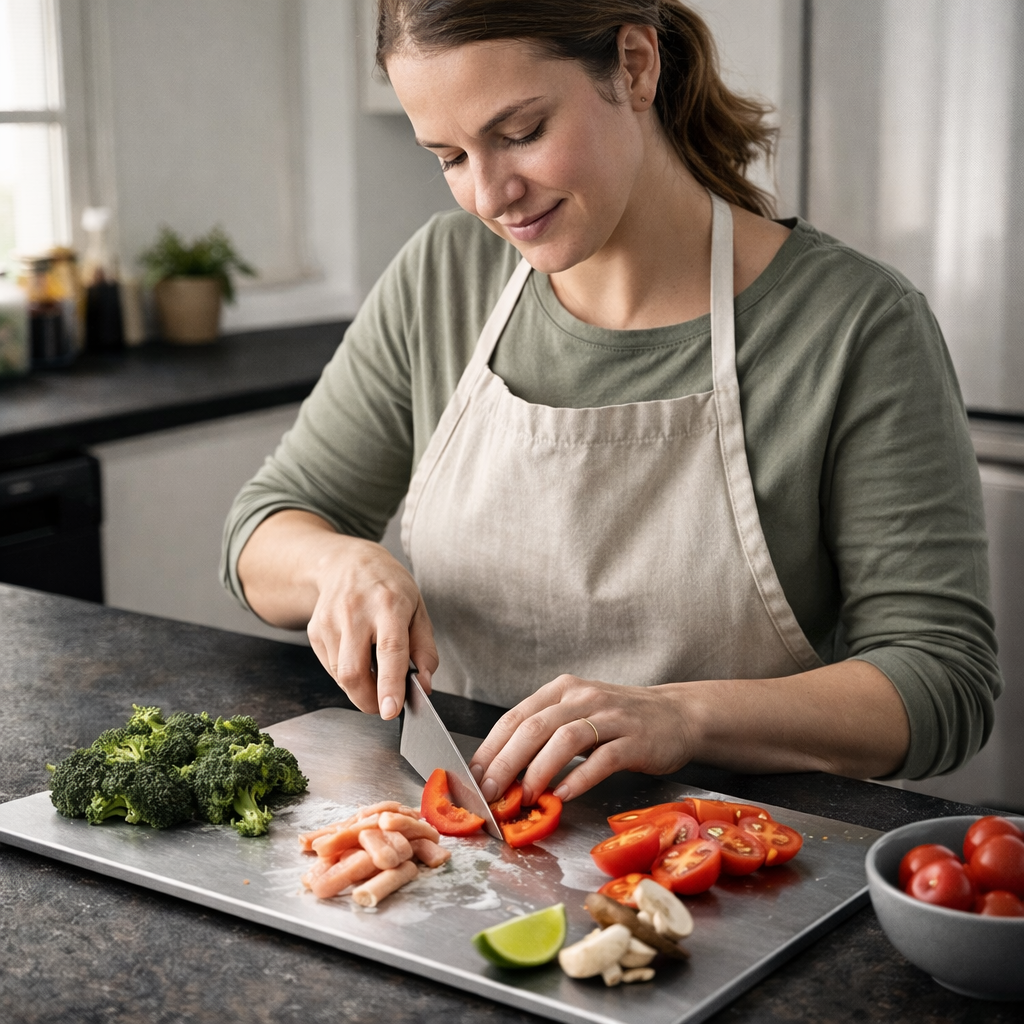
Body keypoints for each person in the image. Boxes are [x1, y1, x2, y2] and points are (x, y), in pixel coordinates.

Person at [222, 0, 1000, 811]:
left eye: (520, 132)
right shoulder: (442, 277)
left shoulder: (853, 324)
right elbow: (265, 528)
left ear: (634, 65)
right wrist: (337, 564)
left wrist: (682, 716)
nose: (491, 195)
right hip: (483, 846)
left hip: (741, 867)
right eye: (450, 156)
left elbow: (941, 678)